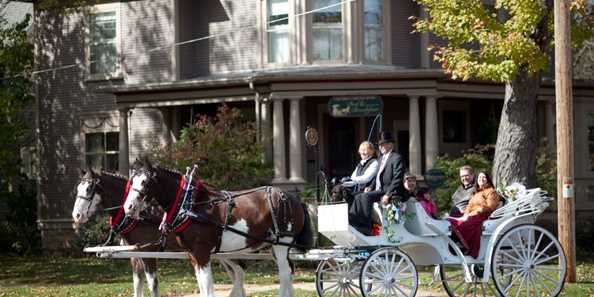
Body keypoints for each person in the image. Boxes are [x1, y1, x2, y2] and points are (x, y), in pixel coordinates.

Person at [348, 131, 406, 235]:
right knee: (357, 196)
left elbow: (397, 178)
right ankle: (355, 222)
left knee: (365, 197)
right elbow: (377, 177)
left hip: (391, 191)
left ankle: (366, 226)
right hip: (379, 190)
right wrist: (370, 187)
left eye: (383, 144)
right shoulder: (380, 159)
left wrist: (388, 195)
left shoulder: (396, 158)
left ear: (390, 144)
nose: (381, 147)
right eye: (380, 145)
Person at [448, 171, 500, 258]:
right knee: (452, 221)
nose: (481, 179)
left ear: (488, 179)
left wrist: (480, 210)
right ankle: (458, 244)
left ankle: (465, 246)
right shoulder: (476, 193)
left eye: (484, 177)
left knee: (464, 224)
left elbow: (491, 207)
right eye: (479, 178)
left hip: (482, 216)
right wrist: (465, 215)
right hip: (472, 215)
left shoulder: (491, 192)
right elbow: (469, 206)